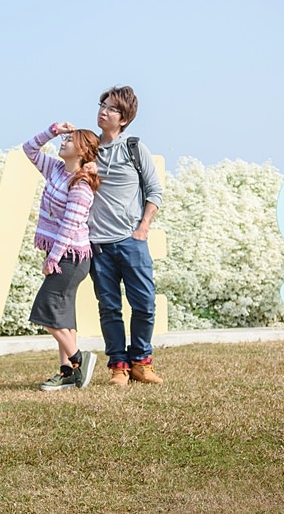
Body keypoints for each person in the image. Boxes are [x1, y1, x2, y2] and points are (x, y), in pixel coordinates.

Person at [87, 86, 164, 386]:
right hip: (99, 246)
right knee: (109, 307)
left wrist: (143, 228)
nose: (103, 111)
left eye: (111, 108)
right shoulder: (88, 149)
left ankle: (141, 362)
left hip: (132, 241)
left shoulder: (134, 149)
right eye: (102, 105)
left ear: (124, 118)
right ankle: (119, 366)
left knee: (144, 303)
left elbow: (155, 191)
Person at [22, 122, 101, 391]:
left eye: (69, 139)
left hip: (71, 256)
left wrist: (53, 258)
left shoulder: (81, 185)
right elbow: (29, 149)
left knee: (46, 311)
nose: (63, 142)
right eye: (63, 138)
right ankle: (67, 372)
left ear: (82, 150)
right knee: (64, 317)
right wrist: (52, 130)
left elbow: (70, 225)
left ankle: (80, 359)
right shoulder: (56, 169)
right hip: (61, 253)